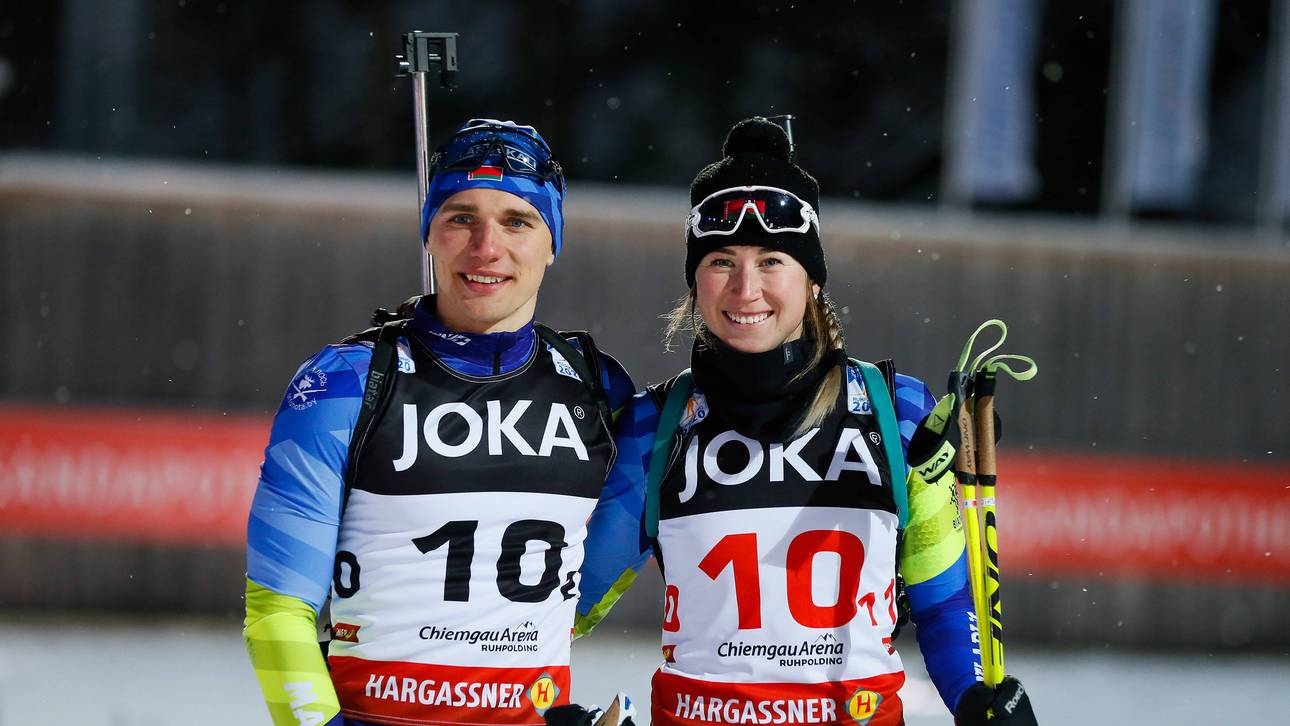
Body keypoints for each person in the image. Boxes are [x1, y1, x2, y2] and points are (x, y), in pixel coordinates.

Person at [577, 117, 1039, 725]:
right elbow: (565, 605)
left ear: (812, 280)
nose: (746, 288)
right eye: (721, 261)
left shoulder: (898, 413)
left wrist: (975, 699)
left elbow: (945, 600)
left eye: (772, 260)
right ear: (694, 281)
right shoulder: (656, 427)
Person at [242, 118, 636, 726]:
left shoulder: (597, 387)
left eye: (518, 221)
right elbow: (276, 613)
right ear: (429, 233)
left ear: (553, 242)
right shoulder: (346, 383)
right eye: (461, 218)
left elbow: (584, 590)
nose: (486, 248)